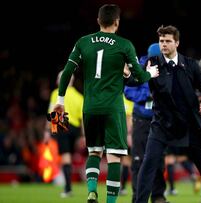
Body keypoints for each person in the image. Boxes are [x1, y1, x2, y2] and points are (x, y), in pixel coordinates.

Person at [52, 4, 159, 203]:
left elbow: (67, 72)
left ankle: (92, 191)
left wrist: (60, 101)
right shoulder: (124, 44)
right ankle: (110, 202)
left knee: (94, 151)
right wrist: (150, 73)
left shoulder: (83, 42)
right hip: (113, 107)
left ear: (98, 21)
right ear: (117, 22)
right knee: (115, 156)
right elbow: (139, 76)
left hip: (90, 107)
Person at [134, 25, 201, 203]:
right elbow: (131, 80)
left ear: (177, 43)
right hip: (161, 124)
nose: (164, 44)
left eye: (168, 41)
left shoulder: (190, 65)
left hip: (190, 124)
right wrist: (144, 75)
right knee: (148, 165)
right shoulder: (151, 63)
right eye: (161, 41)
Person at [124, 43, 169, 203]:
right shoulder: (138, 69)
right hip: (141, 120)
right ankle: (137, 197)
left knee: (159, 159)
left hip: (160, 120)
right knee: (138, 159)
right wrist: (148, 94)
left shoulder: (168, 68)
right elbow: (128, 92)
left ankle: (158, 196)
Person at [47, 70, 84, 198]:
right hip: (75, 129)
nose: (57, 81)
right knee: (69, 158)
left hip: (62, 123)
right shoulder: (79, 97)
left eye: (59, 79)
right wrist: (83, 136)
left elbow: (53, 113)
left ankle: (68, 189)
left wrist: (48, 132)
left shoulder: (56, 93)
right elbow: (83, 119)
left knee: (66, 157)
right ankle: (68, 186)